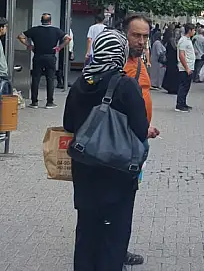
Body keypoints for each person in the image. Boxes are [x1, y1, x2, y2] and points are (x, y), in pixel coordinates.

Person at [63, 29, 150, 271]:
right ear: (120, 52)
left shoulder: (80, 83)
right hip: (117, 170)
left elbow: (69, 125)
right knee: (114, 234)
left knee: (86, 232)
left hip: (84, 169)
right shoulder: (125, 85)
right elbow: (140, 129)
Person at [119, 14, 160, 266]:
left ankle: (118, 247)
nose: (142, 41)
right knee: (119, 199)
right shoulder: (117, 62)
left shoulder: (139, 60)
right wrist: (140, 128)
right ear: (124, 34)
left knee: (127, 196)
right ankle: (114, 252)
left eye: (145, 36)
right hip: (123, 142)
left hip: (138, 139)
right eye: (136, 35)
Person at [18, 13, 71, 109]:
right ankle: (49, 102)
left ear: (41, 20)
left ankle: (34, 102)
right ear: (50, 21)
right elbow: (68, 38)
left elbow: (20, 36)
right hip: (50, 57)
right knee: (50, 79)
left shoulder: (35, 30)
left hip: (38, 56)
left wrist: (29, 45)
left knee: (35, 78)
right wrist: (59, 47)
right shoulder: (56, 31)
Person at [176, 23, 196, 112]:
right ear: (190, 30)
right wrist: (187, 67)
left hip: (190, 66)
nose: (194, 32)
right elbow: (181, 55)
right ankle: (179, 104)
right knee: (183, 86)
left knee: (187, 86)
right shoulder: (183, 40)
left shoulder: (188, 40)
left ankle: (183, 103)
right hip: (185, 67)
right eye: (193, 30)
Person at [161, 28, 180, 95]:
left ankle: (171, 88)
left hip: (171, 60)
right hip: (172, 60)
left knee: (171, 74)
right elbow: (175, 49)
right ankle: (172, 88)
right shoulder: (173, 41)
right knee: (172, 74)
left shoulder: (172, 41)